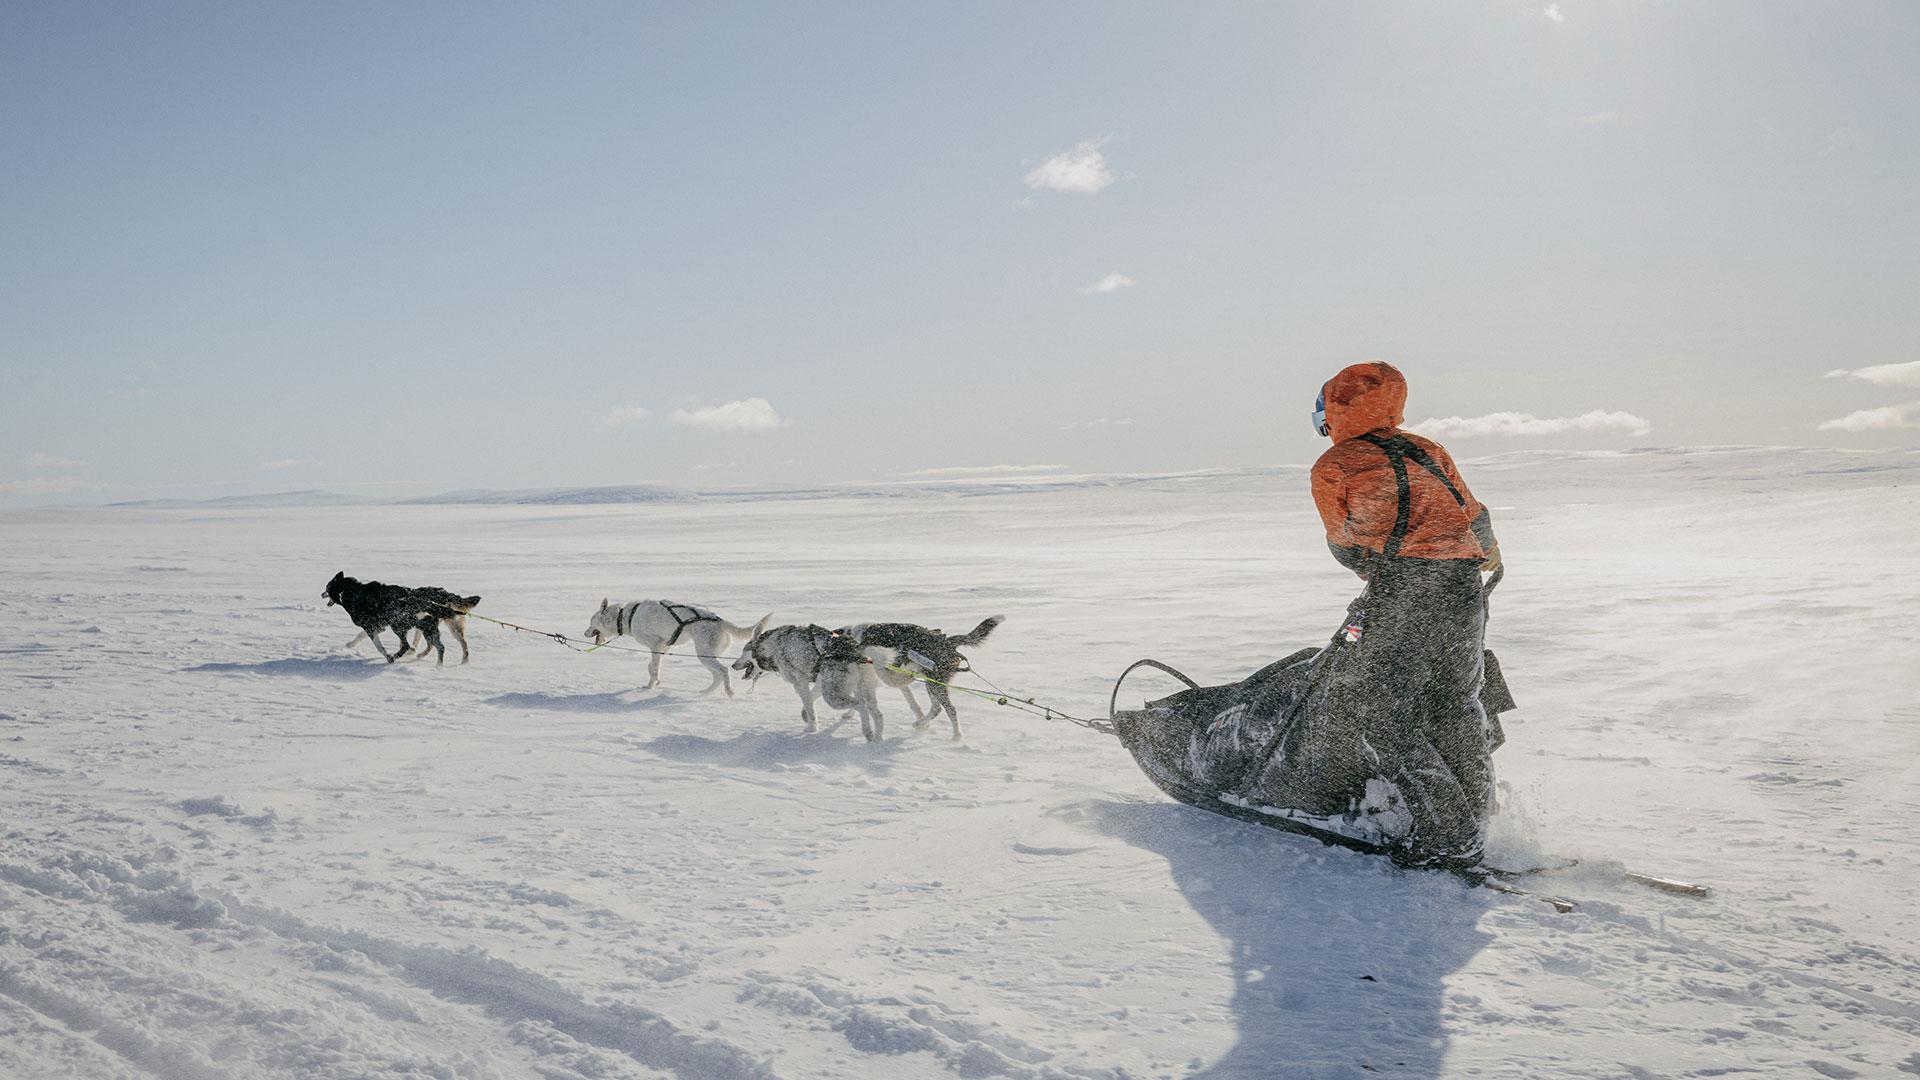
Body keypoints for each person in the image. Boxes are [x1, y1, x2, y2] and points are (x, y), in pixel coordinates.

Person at [1304, 360, 1502, 865]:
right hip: (1462, 591)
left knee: (1378, 715)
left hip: (1404, 593)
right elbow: (1472, 513)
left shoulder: (1336, 465)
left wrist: (1378, 571)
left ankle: (1447, 836)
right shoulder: (1428, 449)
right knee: (1455, 706)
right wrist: (1483, 557)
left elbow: (1346, 540)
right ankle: (1475, 821)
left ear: (1334, 414)